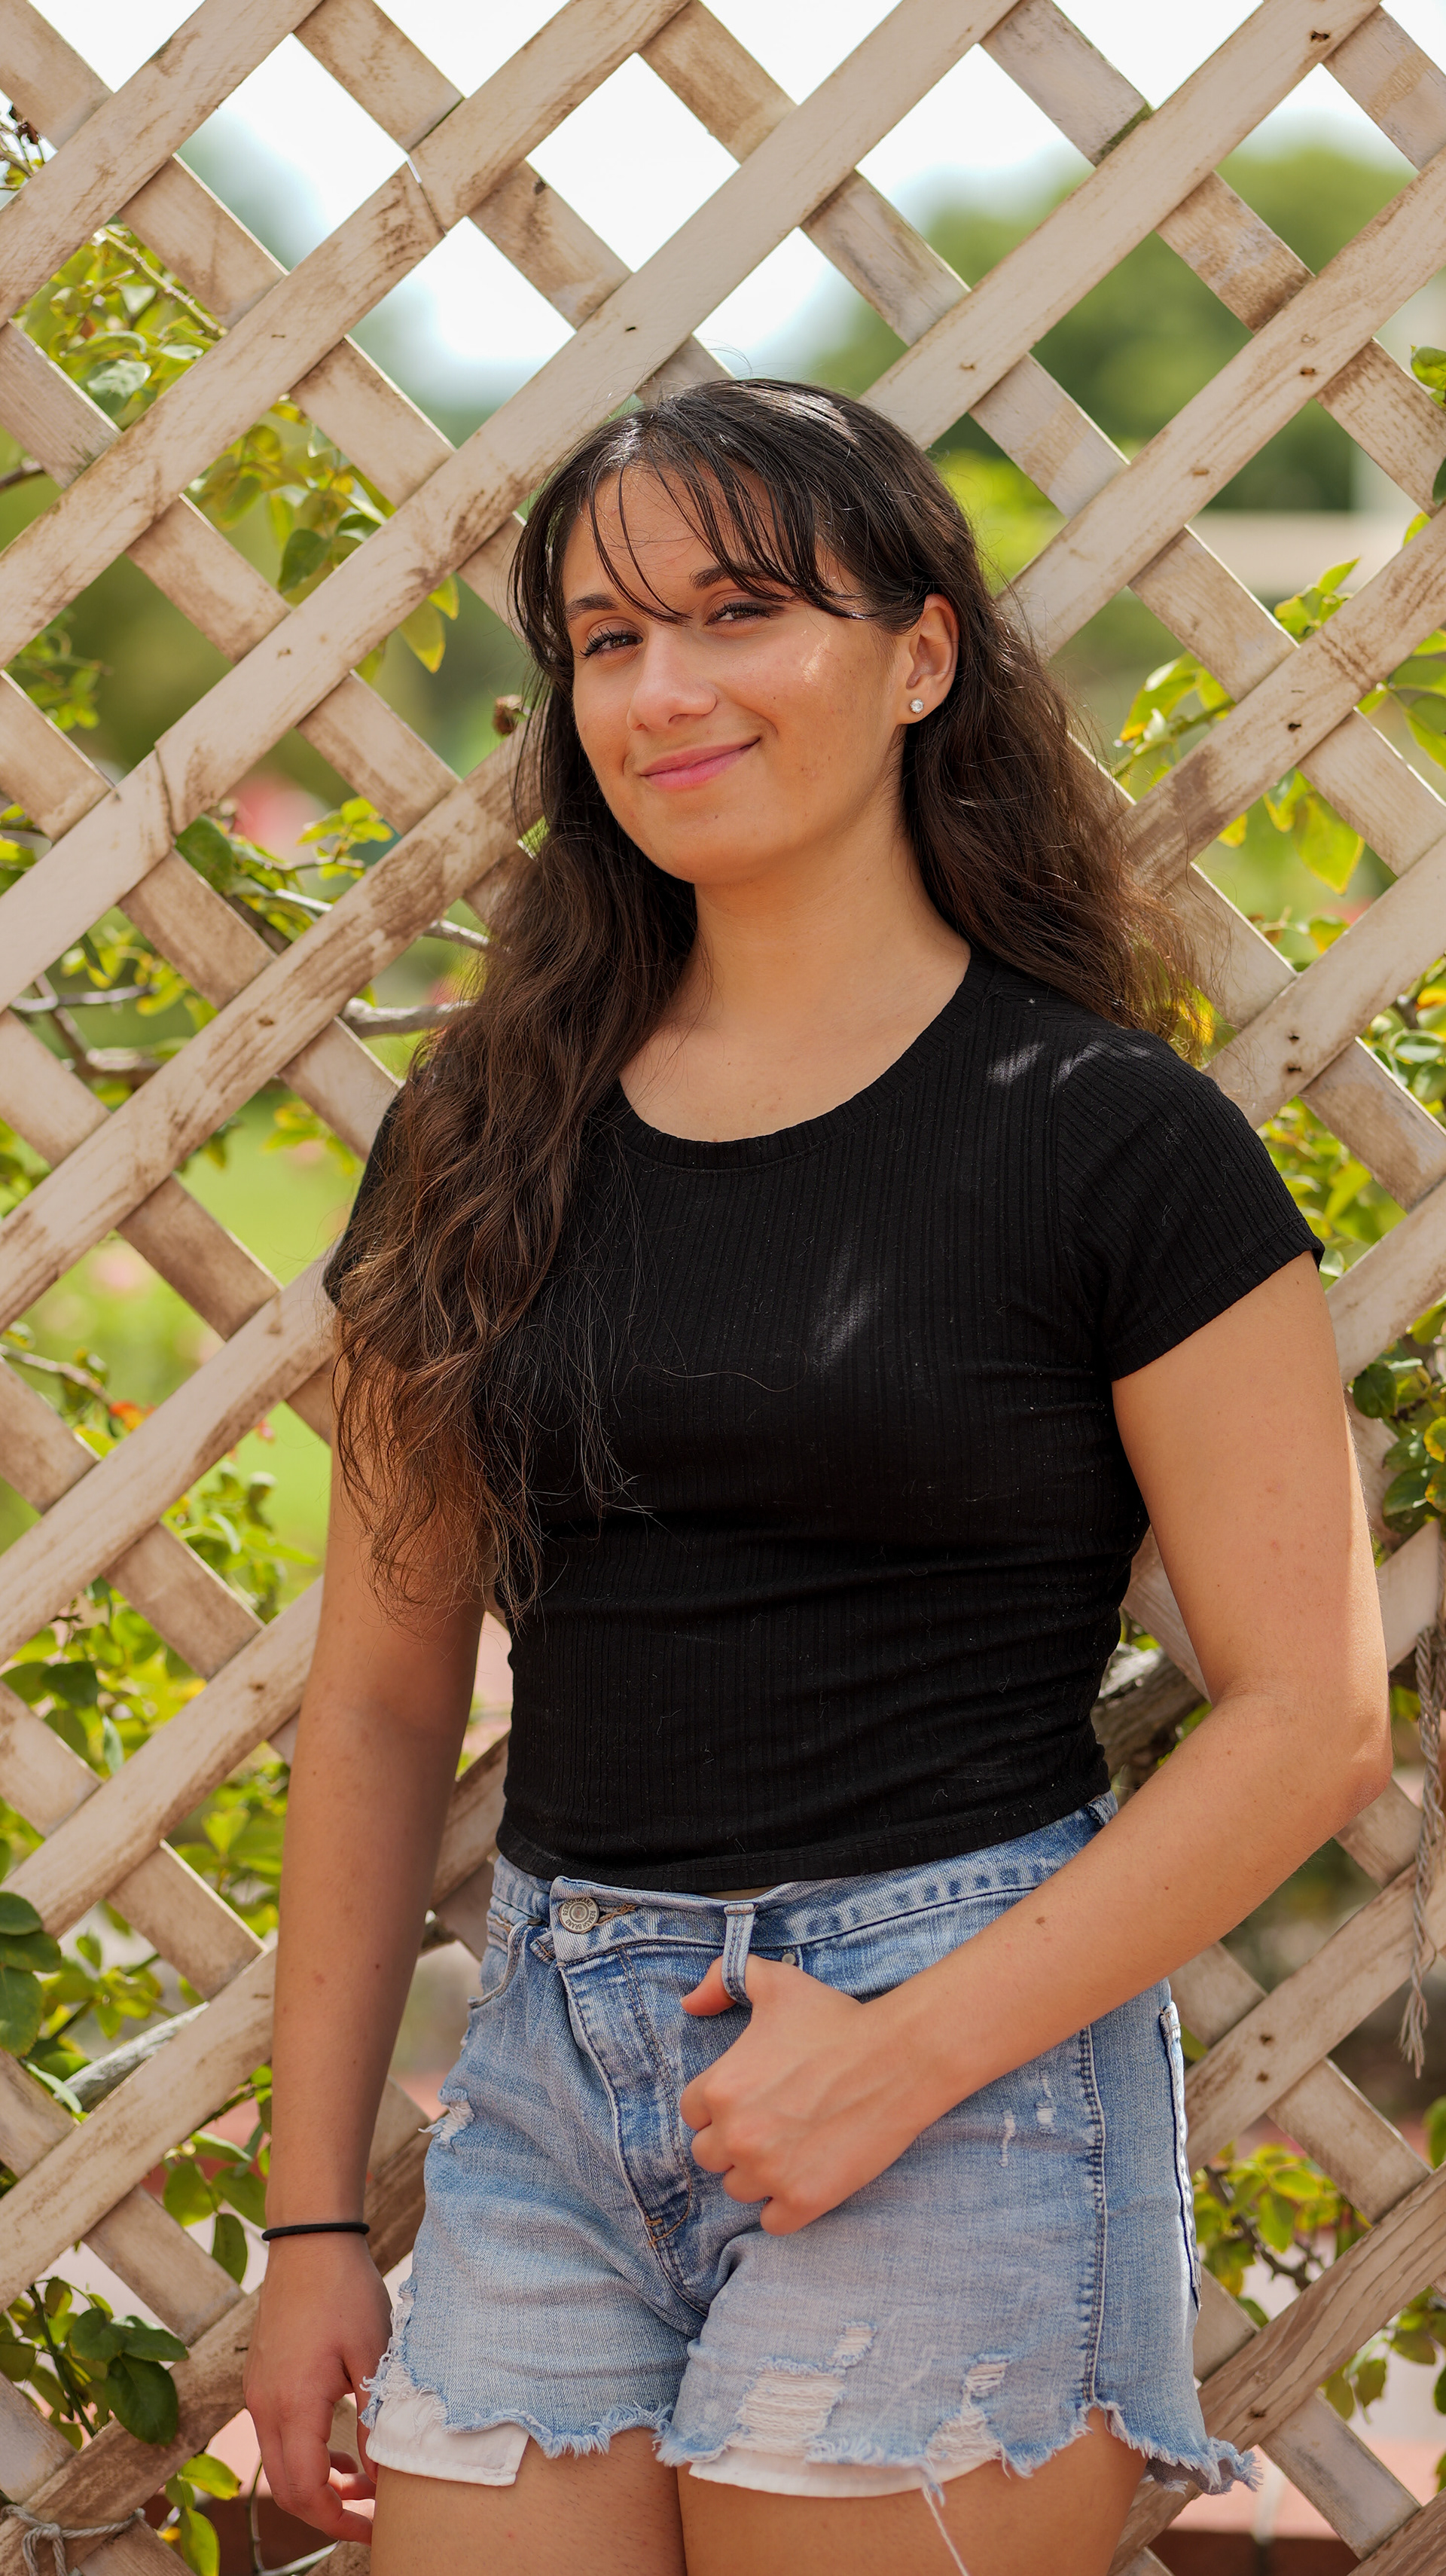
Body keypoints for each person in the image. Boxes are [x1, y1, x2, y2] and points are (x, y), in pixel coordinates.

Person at [243, 380, 1390, 2576]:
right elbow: (381, 1700)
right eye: (607, 641)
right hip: (555, 2079)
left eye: (741, 612)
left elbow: (1312, 1718)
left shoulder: (1110, 1141)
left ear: (921, 653)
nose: (663, 689)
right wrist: (313, 2222)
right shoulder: (480, 1137)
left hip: (961, 2063)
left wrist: (903, 2053)